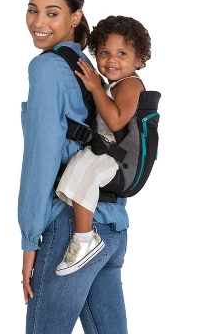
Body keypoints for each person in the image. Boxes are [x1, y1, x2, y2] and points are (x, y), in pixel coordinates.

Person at [18, 0, 132, 334]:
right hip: (111, 227)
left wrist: (29, 239)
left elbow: (41, 159)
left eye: (52, 13)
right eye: (33, 10)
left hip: (70, 231)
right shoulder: (86, 67)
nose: (39, 23)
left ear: (75, 17)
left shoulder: (46, 67)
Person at [55, 15, 151, 276]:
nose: (111, 59)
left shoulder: (130, 84)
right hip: (107, 153)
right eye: (104, 52)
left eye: (122, 53)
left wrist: (97, 89)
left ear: (138, 60)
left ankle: (84, 239)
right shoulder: (115, 84)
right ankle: (85, 236)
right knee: (77, 170)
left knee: (86, 170)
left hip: (120, 162)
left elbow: (117, 121)